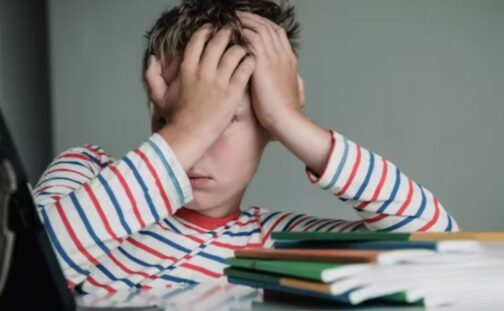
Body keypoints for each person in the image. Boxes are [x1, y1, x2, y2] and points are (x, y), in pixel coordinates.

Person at [33, 0, 459, 294]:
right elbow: (25, 275)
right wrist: (189, 129)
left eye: (221, 122)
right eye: (173, 120)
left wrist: (290, 119)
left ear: (267, 123)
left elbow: (438, 250)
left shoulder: (272, 248)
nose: (196, 149)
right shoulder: (86, 172)